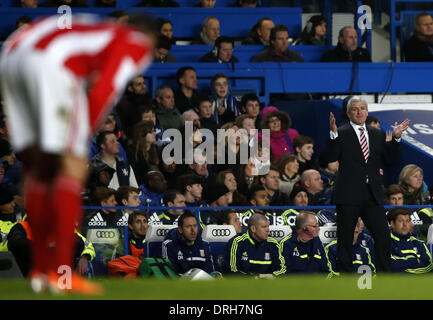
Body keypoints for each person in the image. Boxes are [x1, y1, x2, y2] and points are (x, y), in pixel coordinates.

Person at [0, 13, 154, 294]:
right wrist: (79, 140)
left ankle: (41, 272)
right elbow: (104, 90)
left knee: (39, 171)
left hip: (11, 55)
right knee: (70, 171)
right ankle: (61, 275)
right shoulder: (135, 43)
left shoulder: (97, 30)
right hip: (46, 64)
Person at [321, 95, 410, 273]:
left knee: (383, 237)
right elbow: (329, 158)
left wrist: (397, 139)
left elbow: (389, 159)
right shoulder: (341, 132)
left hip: (373, 195)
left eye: (362, 108)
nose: (359, 111)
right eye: (355, 108)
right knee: (345, 240)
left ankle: (384, 277)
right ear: (348, 113)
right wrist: (333, 136)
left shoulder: (377, 134)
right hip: (348, 195)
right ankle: (345, 278)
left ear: (367, 112)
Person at [388, 207, 433, 274]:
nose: (405, 225)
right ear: (392, 223)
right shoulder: (386, 242)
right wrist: (416, 260)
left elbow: (429, 266)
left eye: (408, 221)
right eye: (401, 221)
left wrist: (403, 268)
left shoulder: (419, 243)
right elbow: (391, 266)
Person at [115, 75, 153, 140]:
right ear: (130, 88)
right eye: (139, 84)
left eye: (144, 83)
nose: (143, 86)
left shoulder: (150, 101)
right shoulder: (124, 105)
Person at [126, 120, 160, 186]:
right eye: (151, 132)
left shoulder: (156, 149)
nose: (154, 133)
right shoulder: (133, 151)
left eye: (154, 131)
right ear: (142, 134)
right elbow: (137, 176)